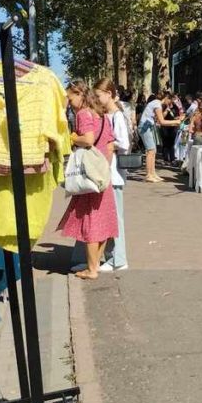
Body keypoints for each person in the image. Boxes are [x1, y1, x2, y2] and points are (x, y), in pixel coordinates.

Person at [58, 80, 118, 280]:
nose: (69, 101)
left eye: (70, 97)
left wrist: (72, 137)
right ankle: (96, 265)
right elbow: (109, 146)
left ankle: (92, 269)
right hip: (102, 174)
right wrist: (103, 167)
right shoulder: (102, 115)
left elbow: (89, 139)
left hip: (90, 176)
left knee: (91, 223)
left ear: (79, 94)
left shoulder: (83, 114)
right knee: (103, 223)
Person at [73, 80, 130, 273]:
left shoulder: (116, 116)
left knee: (113, 218)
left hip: (111, 173)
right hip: (105, 173)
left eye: (98, 95)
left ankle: (117, 259)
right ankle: (98, 260)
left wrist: (109, 144)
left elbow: (124, 143)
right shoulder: (105, 115)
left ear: (109, 93)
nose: (95, 99)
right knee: (102, 217)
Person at [138, 91, 183, 183]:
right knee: (150, 151)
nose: (170, 104)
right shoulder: (157, 104)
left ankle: (153, 173)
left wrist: (175, 121)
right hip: (144, 128)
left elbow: (158, 120)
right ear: (166, 98)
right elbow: (162, 121)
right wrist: (175, 122)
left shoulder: (156, 103)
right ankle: (149, 175)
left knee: (153, 150)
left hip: (147, 127)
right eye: (170, 101)